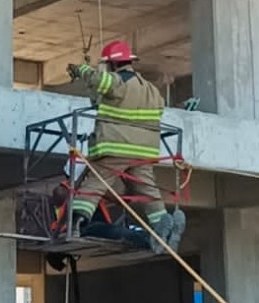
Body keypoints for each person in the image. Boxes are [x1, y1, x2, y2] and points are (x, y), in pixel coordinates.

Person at [67, 40, 186, 254]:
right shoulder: (151, 90)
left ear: (112, 65)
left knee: (94, 185)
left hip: (115, 146)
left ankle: (75, 225)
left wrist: (80, 69)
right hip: (144, 152)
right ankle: (162, 228)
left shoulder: (115, 82)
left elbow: (97, 80)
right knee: (147, 191)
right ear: (129, 61)